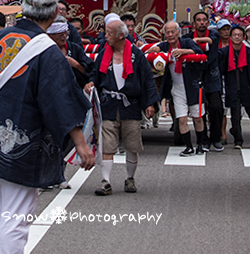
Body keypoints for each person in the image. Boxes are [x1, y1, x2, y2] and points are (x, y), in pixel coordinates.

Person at [0, 0, 94, 254]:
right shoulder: (49, 53)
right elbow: (59, 99)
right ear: (54, 14)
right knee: (15, 219)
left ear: (23, 8)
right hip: (23, 149)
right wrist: (80, 142)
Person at [86, 18, 158, 195]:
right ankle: (106, 181)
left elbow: (148, 80)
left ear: (120, 35)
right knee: (108, 145)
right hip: (109, 105)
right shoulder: (104, 54)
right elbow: (95, 74)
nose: (105, 35)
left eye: (109, 33)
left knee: (132, 145)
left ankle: (130, 178)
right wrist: (90, 83)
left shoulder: (136, 55)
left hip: (130, 106)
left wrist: (150, 103)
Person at [152, 21, 206, 156]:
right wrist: (152, 51)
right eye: (167, 32)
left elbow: (199, 52)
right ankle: (188, 147)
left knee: (197, 117)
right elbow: (154, 50)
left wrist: (183, 52)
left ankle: (200, 144)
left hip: (193, 86)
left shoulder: (187, 42)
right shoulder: (165, 46)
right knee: (181, 118)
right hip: (177, 88)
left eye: (173, 32)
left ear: (178, 32)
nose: (170, 35)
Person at [219, 25, 250, 149]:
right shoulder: (225, 52)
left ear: (243, 37)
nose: (237, 37)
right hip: (232, 88)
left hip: (248, 88)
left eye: (239, 35)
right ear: (231, 37)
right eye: (234, 35)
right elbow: (217, 68)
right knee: (235, 117)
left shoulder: (249, 53)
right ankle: (238, 141)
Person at [183, 11, 224, 151]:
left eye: (204, 20)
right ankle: (203, 139)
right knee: (199, 110)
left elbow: (211, 42)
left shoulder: (214, 35)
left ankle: (216, 138)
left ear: (207, 23)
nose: (201, 22)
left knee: (216, 107)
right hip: (195, 76)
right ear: (194, 24)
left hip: (212, 76)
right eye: (198, 20)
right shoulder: (187, 37)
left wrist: (195, 42)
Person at [47, 18, 93, 89]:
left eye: (66, 33)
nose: (64, 36)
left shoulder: (75, 48)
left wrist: (75, 64)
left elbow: (91, 71)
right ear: (50, 35)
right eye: (60, 34)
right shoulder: (45, 51)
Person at [216, 18, 231, 144]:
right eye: (223, 30)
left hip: (233, 78)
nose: (226, 32)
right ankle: (222, 134)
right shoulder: (215, 44)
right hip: (219, 78)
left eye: (228, 29)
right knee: (222, 108)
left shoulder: (235, 44)